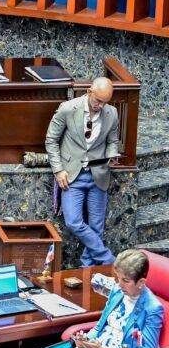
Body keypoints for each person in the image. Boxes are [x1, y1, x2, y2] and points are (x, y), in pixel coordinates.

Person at [45, 77, 119, 266]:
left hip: (98, 175)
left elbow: (112, 141)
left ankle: (87, 268)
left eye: (105, 102)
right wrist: (58, 170)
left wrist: (112, 155)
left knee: (96, 227)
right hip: (72, 175)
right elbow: (51, 140)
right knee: (73, 222)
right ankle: (108, 259)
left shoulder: (112, 113)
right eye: (98, 101)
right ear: (89, 92)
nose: (101, 106)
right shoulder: (68, 108)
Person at [72, 249, 164, 348]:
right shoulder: (117, 291)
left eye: (125, 280)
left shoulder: (152, 308)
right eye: (118, 278)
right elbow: (99, 328)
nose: (120, 285)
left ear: (141, 282)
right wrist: (85, 340)